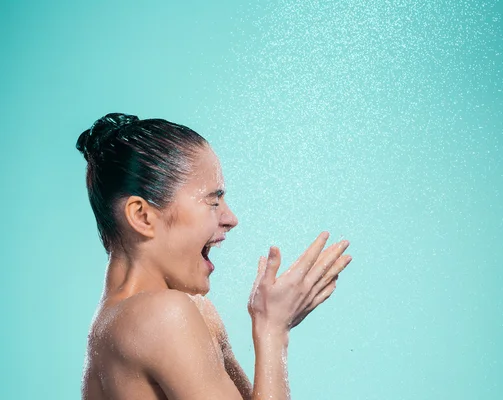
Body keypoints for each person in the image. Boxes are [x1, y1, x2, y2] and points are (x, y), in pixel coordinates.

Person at [77, 113, 352, 400]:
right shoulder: (160, 316)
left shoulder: (126, 319)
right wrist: (273, 331)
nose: (231, 218)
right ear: (142, 216)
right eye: (213, 200)